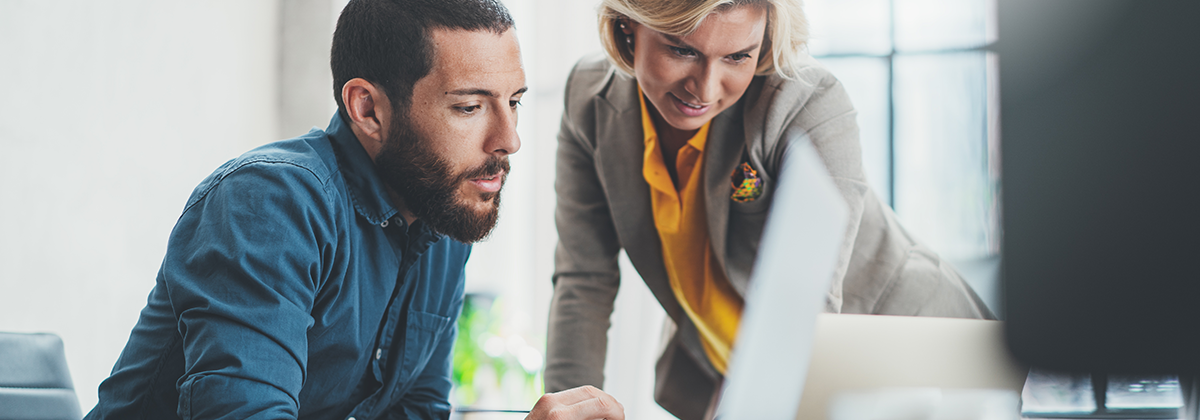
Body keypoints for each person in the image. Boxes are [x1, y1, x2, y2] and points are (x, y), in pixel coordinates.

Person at [84, 0, 624, 419]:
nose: (508, 139)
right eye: (469, 106)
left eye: (514, 103)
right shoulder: (267, 205)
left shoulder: (442, 220)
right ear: (367, 108)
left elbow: (414, 412)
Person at [543, 0, 994, 418]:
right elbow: (584, 280)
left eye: (737, 56)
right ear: (628, 27)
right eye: (681, 50)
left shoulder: (806, 102)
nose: (705, 87)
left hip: (914, 356)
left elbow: (808, 309)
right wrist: (569, 410)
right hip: (732, 370)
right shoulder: (589, 101)